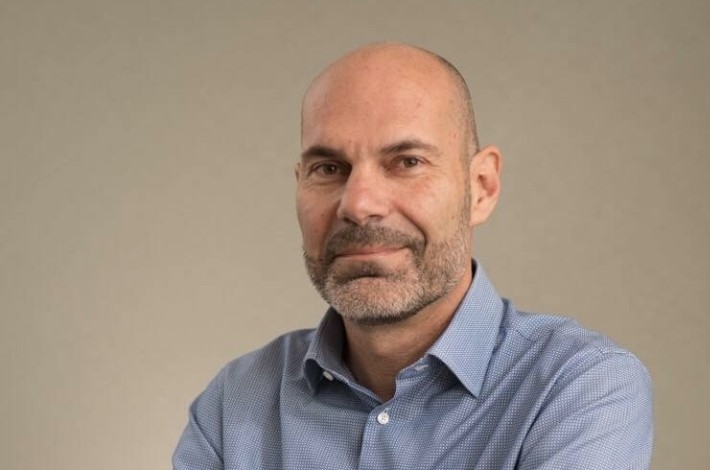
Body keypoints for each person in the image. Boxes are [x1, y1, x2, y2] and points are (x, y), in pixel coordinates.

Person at [173, 43, 653, 469]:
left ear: (481, 188)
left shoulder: (578, 387)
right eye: (329, 168)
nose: (359, 204)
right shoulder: (235, 403)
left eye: (407, 162)